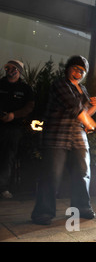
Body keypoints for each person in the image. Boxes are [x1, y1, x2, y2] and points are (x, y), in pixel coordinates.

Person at [31, 55, 96, 225]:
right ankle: (43, 213)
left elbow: (83, 115)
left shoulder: (83, 89)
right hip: (57, 135)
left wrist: (94, 108)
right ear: (68, 68)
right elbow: (73, 107)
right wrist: (89, 122)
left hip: (78, 136)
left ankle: (82, 207)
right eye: (75, 68)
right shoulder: (60, 85)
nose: (78, 73)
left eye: (82, 71)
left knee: (83, 173)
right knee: (51, 174)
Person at [0, 60, 35, 199]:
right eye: (8, 67)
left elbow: (29, 107)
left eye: (14, 68)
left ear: (19, 71)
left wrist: (13, 115)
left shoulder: (25, 89)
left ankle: (3, 188)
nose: (10, 70)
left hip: (14, 128)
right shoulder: (0, 84)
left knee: (8, 157)